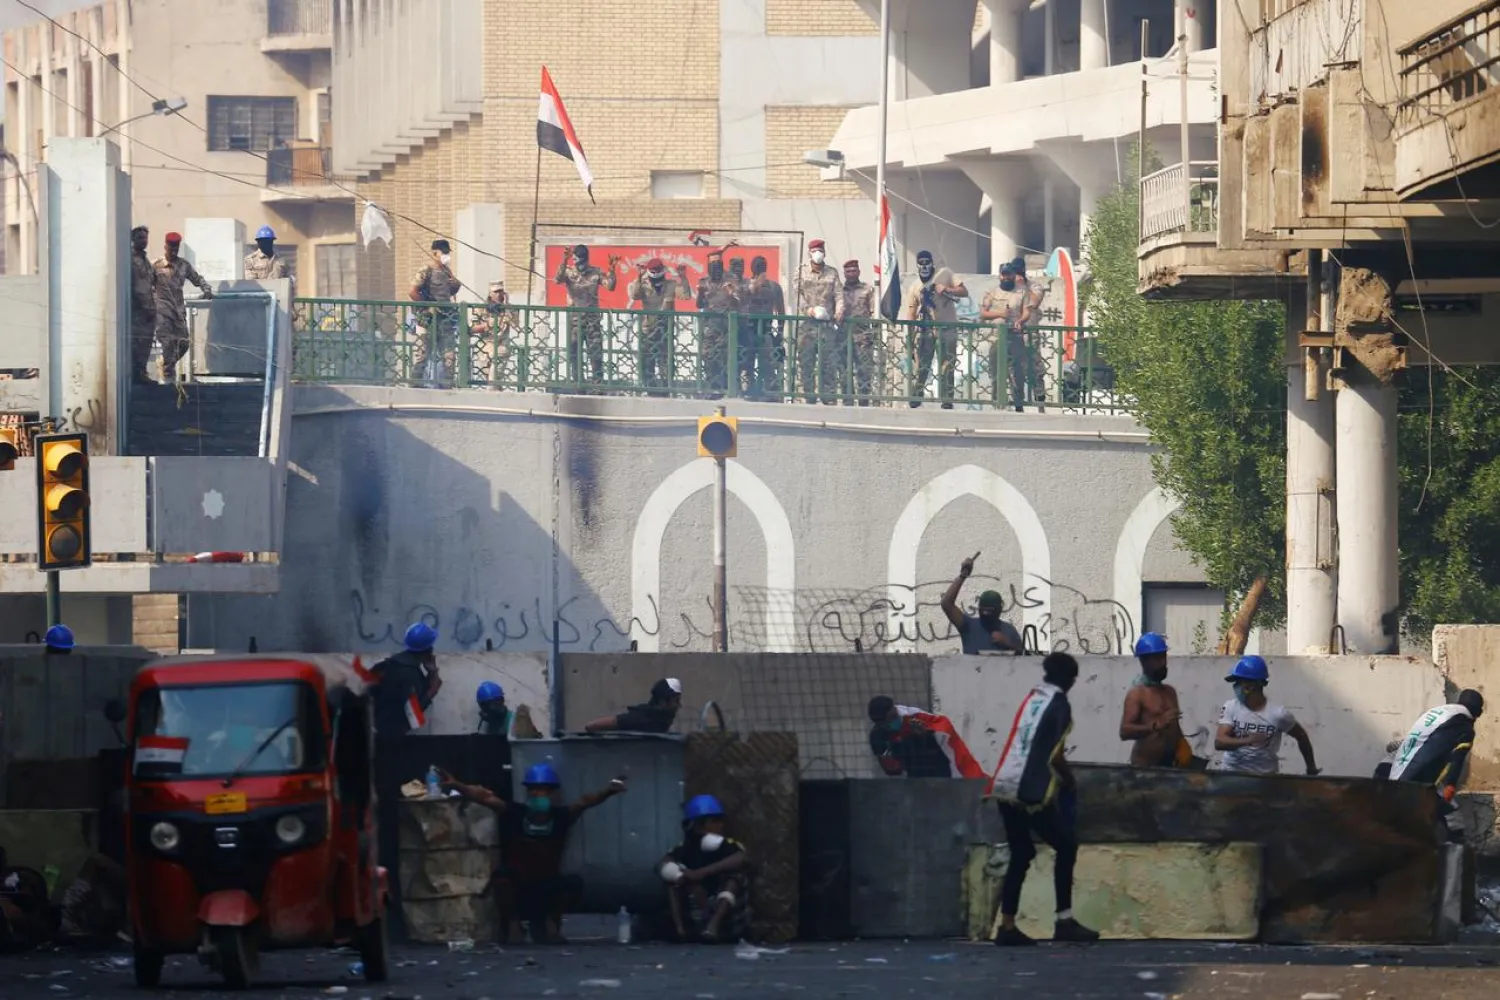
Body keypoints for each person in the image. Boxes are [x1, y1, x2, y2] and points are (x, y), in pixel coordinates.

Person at [440, 762, 627, 944]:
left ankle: (551, 923)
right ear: (528, 792)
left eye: (544, 790)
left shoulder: (560, 816)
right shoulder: (516, 813)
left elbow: (585, 802)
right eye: (534, 790)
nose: (539, 794)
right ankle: (514, 924)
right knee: (501, 877)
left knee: (572, 883)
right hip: (518, 884)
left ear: (552, 793)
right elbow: (485, 798)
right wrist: (457, 785)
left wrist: (608, 791)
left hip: (547, 884)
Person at [986, 652, 1099, 946]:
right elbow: (1054, 752)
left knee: (1022, 853)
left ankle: (1007, 925)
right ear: (1071, 679)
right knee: (1066, 845)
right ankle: (1064, 920)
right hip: (1030, 791)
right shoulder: (1060, 705)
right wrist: (1069, 779)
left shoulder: (1032, 698)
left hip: (1004, 784)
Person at [659, 794, 751, 943]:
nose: (720, 825)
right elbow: (664, 862)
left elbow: (742, 858)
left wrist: (701, 873)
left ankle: (713, 926)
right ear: (698, 824)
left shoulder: (725, 845)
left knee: (735, 878)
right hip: (697, 911)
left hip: (729, 918)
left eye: (720, 820)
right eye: (715, 821)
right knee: (672, 882)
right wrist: (680, 875)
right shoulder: (686, 848)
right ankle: (680, 931)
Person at [1214, 656, 1320, 776]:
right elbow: (1219, 742)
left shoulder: (1279, 714)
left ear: (1250, 686)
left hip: (1265, 779)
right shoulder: (1231, 707)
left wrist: (1311, 769)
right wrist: (1249, 740)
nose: (1235, 686)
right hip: (1231, 775)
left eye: (1238, 682)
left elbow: (1301, 736)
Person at [1380, 690, 1484, 803]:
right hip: (1410, 784)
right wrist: (1450, 784)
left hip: (1387, 774)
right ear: (1477, 713)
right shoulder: (1464, 726)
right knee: (1447, 812)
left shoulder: (1439, 711)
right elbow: (1456, 759)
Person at [900, 250, 968, 408]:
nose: (924, 266)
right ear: (917, 265)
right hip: (926, 330)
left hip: (947, 328)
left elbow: (964, 292)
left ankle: (947, 399)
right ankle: (917, 394)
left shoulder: (945, 274)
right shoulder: (915, 286)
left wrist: (946, 289)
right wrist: (909, 339)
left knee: (947, 365)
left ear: (932, 263)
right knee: (922, 364)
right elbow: (911, 313)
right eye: (921, 263)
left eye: (927, 262)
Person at [1118, 632, 1191, 768]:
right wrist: (1155, 725)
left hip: (1170, 766)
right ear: (1144, 661)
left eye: (1163, 657)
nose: (1163, 663)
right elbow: (1124, 731)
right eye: (1157, 659)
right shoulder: (1137, 694)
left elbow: (1173, 725)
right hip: (1145, 768)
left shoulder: (1170, 691)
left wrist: (1182, 742)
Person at [866, 695, 984, 778]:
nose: (890, 723)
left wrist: (926, 734)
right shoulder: (879, 736)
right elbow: (893, 769)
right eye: (885, 722)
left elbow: (945, 734)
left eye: (893, 717)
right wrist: (888, 752)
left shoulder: (915, 717)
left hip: (945, 770)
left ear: (895, 709)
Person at [153, 232, 215, 383]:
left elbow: (197, 278)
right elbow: (145, 283)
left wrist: (206, 289)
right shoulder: (156, 265)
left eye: (176, 248)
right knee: (167, 343)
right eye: (171, 248)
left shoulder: (183, 265)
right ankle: (168, 378)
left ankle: (165, 363)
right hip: (162, 310)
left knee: (184, 343)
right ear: (165, 246)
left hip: (178, 312)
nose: (173, 251)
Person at [554, 244, 619, 386]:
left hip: (592, 320)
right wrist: (564, 260)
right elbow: (557, 279)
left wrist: (612, 271)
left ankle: (598, 384)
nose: (579, 265)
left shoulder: (596, 272)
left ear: (586, 260)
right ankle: (578, 384)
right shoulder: (569, 272)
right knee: (574, 354)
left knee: (595, 354)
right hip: (575, 320)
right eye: (576, 261)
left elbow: (610, 286)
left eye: (581, 261)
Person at [627, 258, 693, 394]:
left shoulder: (671, 285)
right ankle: (649, 389)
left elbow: (686, 295)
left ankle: (666, 389)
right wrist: (638, 277)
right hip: (648, 329)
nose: (656, 279)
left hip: (665, 330)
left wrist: (683, 277)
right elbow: (634, 295)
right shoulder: (644, 285)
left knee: (666, 363)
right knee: (647, 362)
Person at [370, 622, 444, 738]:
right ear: (428, 650)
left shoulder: (391, 664)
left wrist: (432, 672)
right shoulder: (410, 674)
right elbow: (413, 714)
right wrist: (432, 691)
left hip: (377, 731)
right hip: (393, 736)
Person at [940, 552, 1023, 653]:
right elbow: (946, 604)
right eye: (983, 610)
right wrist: (963, 575)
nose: (986, 614)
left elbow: (1025, 658)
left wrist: (1007, 644)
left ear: (1000, 609)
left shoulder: (1009, 631)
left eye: (990, 611)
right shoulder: (968, 626)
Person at [407, 238, 463, 387]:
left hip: (445, 319)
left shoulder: (447, 271)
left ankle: (447, 386)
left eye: (447, 252)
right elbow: (412, 292)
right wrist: (426, 306)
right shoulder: (427, 270)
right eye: (442, 252)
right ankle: (415, 384)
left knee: (449, 356)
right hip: (427, 318)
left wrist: (455, 285)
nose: (445, 255)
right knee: (422, 354)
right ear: (434, 253)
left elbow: (449, 293)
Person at [795, 239, 839, 404]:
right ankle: (808, 396)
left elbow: (839, 295)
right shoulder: (800, 272)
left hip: (826, 325)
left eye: (820, 250)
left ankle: (828, 397)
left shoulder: (832, 273)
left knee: (827, 362)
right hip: (807, 325)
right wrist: (810, 310)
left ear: (824, 253)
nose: (817, 254)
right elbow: (797, 296)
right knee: (806, 362)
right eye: (814, 251)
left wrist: (839, 312)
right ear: (809, 253)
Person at [695, 250, 740, 397]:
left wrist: (731, 293)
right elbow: (699, 304)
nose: (716, 266)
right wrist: (701, 294)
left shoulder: (731, 279)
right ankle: (711, 387)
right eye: (713, 263)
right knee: (708, 356)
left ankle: (727, 388)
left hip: (727, 325)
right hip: (710, 325)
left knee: (726, 357)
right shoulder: (703, 282)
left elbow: (738, 302)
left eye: (718, 263)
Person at [834, 259, 879, 405]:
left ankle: (864, 404)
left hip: (863, 337)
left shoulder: (868, 289)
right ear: (844, 274)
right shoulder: (838, 290)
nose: (851, 274)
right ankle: (848, 403)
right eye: (848, 271)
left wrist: (874, 334)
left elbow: (874, 312)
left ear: (859, 272)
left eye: (854, 271)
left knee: (864, 373)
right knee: (844, 372)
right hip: (842, 337)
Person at [741, 255, 786, 399]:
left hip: (766, 330)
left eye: (763, 265)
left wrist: (779, 333)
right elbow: (741, 301)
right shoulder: (745, 284)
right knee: (747, 364)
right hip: (748, 330)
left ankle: (769, 392)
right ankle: (749, 390)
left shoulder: (774, 287)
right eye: (757, 265)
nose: (760, 267)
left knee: (768, 364)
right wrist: (755, 286)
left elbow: (781, 312)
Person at [583, 678, 682, 734]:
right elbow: (591, 726)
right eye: (676, 701)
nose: (678, 706)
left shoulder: (662, 723)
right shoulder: (640, 718)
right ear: (662, 702)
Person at [129, 225, 159, 385]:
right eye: (140, 238)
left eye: (145, 238)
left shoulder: (144, 260)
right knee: (138, 343)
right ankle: (137, 374)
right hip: (139, 310)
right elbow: (137, 287)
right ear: (133, 240)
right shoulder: (132, 260)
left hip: (148, 309)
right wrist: (144, 306)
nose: (144, 241)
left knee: (146, 343)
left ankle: (141, 372)